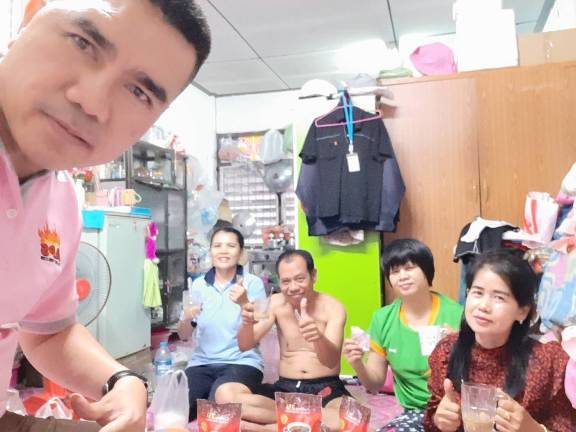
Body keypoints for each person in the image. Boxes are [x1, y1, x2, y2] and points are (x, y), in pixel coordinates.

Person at [0, 0, 210, 430]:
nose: (93, 102)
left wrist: (121, 380)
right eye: (83, 42)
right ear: (29, 15)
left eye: (139, 92)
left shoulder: (61, 202)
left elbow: (48, 331)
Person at [424, 249, 576, 432]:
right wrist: (439, 420)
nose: (483, 306)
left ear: (523, 311)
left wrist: (534, 429)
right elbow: (432, 418)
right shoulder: (447, 351)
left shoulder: (548, 360)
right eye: (477, 293)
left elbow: (567, 426)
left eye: (499, 297)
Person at [216, 249, 348, 432]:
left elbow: (331, 361)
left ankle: (268, 428)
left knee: (346, 417)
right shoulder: (275, 303)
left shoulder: (333, 307)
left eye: (299, 279)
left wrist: (318, 337)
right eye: (286, 281)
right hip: (286, 388)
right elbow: (244, 344)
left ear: (314, 275)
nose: (293, 287)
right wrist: (246, 322)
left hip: (325, 387)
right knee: (225, 394)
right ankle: (303, 422)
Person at [343, 238, 462, 432]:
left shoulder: (457, 315)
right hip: (416, 413)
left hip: (455, 410)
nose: (402, 276)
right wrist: (357, 364)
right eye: (395, 271)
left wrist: (460, 348)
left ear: (427, 270)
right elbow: (374, 383)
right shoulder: (382, 319)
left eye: (409, 268)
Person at [177, 226, 267, 421]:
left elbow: (260, 329)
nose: (223, 251)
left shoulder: (253, 283)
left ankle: (256, 396)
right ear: (210, 251)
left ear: (241, 252)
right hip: (202, 363)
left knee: (217, 412)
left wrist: (244, 302)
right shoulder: (198, 285)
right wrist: (186, 317)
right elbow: (183, 335)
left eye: (231, 246)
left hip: (242, 362)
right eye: (217, 246)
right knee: (180, 410)